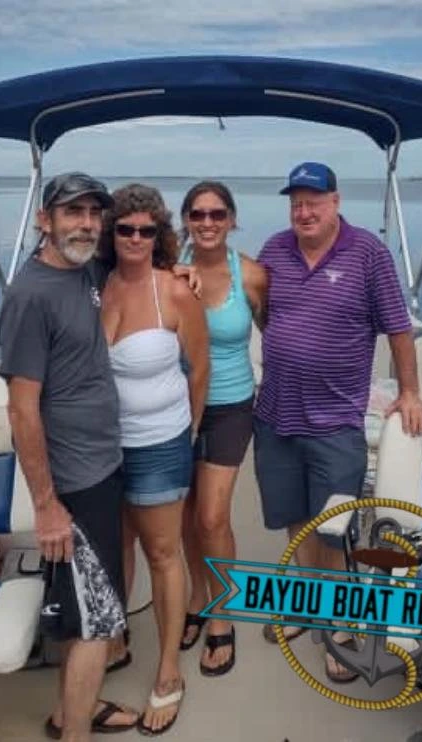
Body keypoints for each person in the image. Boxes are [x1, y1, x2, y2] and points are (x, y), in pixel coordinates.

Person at [254, 161, 422, 682]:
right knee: (293, 520)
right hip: (276, 413)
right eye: (296, 202)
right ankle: (304, 606)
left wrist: (412, 392)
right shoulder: (274, 249)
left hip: (334, 420)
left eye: (314, 201)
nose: (303, 212)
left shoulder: (368, 253)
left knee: (332, 532)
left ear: (336, 201)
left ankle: (340, 628)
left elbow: (398, 329)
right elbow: (264, 314)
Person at [0, 172, 140, 742]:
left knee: (85, 610)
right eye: (72, 212)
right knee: (96, 623)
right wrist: (48, 506)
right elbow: (22, 411)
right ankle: (75, 733)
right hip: (73, 487)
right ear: (44, 220)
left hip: (101, 468)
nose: (85, 223)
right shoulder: (31, 295)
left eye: (92, 213)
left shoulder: (83, 275)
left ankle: (69, 710)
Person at [98, 183, 209, 735]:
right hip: (100, 449)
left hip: (160, 444)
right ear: (109, 233)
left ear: (159, 234)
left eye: (146, 229)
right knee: (114, 547)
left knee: (163, 553)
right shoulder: (95, 286)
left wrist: (185, 432)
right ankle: (115, 636)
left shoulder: (176, 291)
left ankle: (168, 672)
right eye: (125, 229)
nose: (136, 238)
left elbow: (200, 368)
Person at [177, 181, 267, 676]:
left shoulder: (250, 275)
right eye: (197, 214)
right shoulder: (168, 272)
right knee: (187, 515)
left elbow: (281, 333)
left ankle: (222, 616)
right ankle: (197, 595)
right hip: (175, 410)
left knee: (212, 517)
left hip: (231, 405)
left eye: (217, 214)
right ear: (186, 220)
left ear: (232, 219)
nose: (207, 223)